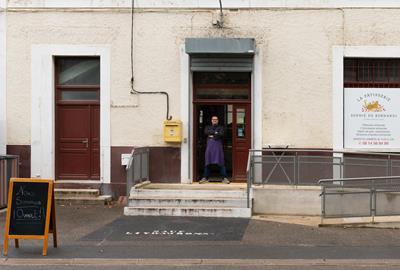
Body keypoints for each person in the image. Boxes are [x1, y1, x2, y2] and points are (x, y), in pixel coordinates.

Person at [199, 116, 230, 184]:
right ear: (211, 120)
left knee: (221, 162)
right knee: (207, 162)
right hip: (209, 148)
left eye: (216, 119)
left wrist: (212, 135)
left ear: (218, 120)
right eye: (213, 119)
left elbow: (222, 134)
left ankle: (224, 178)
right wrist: (216, 133)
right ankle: (205, 178)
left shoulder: (221, 127)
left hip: (218, 148)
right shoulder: (207, 127)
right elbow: (206, 132)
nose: (214, 120)